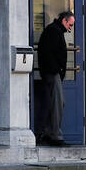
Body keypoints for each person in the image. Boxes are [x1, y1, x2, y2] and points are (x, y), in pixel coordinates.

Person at [35, 9, 74, 146]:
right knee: (57, 103)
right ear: (64, 20)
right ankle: (54, 135)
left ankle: (48, 133)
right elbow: (48, 53)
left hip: (52, 73)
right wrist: (56, 70)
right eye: (70, 24)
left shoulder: (54, 30)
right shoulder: (53, 31)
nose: (70, 28)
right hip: (52, 73)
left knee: (54, 103)